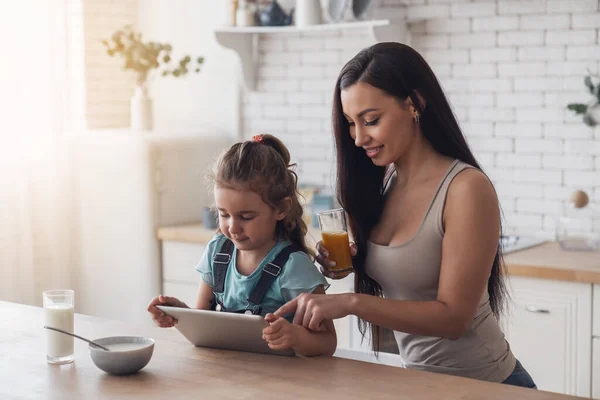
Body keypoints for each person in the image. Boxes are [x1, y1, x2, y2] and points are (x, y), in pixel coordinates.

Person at [274, 43, 536, 388]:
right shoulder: (387, 184)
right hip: (420, 382)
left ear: (415, 103)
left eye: (371, 120)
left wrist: (352, 302)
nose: (358, 137)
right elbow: (410, 276)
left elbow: (453, 319)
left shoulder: (466, 189)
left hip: (486, 385)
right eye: (351, 123)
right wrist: (353, 262)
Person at [148, 134, 336, 356]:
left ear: (281, 209)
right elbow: (205, 323)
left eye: (246, 217)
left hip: (282, 382)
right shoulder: (217, 251)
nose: (232, 228)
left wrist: (295, 336)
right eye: (224, 214)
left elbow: (327, 342)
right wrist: (179, 314)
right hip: (229, 377)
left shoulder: (294, 267)